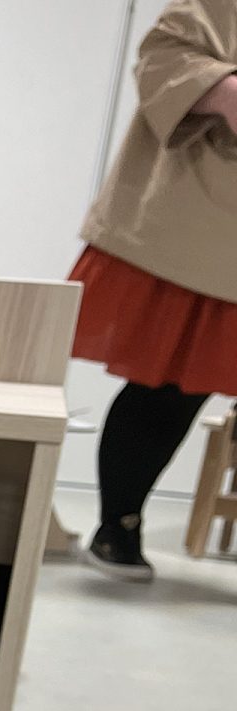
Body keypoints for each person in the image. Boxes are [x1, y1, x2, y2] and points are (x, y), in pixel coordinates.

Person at [72, 0, 237, 582]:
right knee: (167, 385)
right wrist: (227, 93)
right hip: (205, 223)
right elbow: (165, 56)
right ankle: (118, 526)